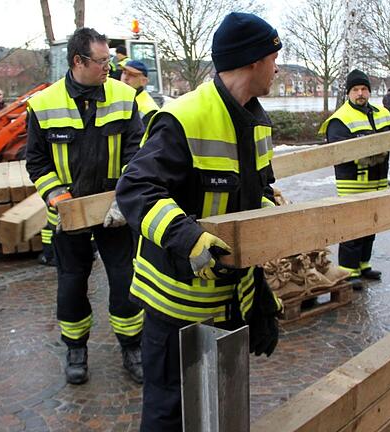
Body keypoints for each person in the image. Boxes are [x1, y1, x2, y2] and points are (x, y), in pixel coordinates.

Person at [116, 12, 284, 431]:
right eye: (274, 56)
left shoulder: (255, 122)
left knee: (219, 412)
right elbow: (136, 189)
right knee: (169, 416)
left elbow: (252, 199)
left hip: (228, 303)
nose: (277, 67)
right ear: (251, 61)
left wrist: (260, 293)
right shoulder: (184, 117)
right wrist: (188, 236)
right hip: (175, 311)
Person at [25, 27, 145, 385]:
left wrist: (126, 196)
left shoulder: (124, 97)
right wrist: (55, 195)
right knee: (72, 284)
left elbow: (137, 152)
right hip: (69, 215)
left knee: (125, 280)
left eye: (110, 60)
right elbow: (36, 162)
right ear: (78, 61)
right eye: (102, 61)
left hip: (114, 213)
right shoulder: (43, 104)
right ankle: (76, 348)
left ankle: (132, 346)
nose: (109, 67)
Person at [319, 70, 390, 288]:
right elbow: (340, 152)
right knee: (352, 230)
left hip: (377, 182)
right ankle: (347, 272)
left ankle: (363, 265)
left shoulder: (380, 112)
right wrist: (371, 154)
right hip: (353, 184)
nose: (360, 93)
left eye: (364, 89)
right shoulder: (339, 119)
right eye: (355, 90)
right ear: (348, 93)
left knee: (371, 226)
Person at [120, 59, 160, 125]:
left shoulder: (149, 110)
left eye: (132, 75)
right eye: (124, 73)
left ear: (143, 81)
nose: (125, 78)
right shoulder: (120, 97)